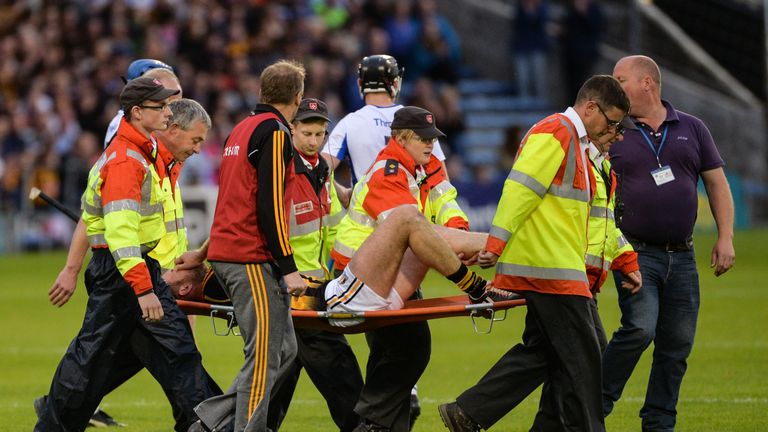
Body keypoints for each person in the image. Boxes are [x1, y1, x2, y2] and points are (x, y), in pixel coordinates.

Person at [438, 75, 633, 432]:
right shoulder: (557, 132)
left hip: (558, 265)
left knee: (550, 353)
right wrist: (495, 243)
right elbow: (519, 189)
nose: (613, 131)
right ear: (591, 108)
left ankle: (469, 413)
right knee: (584, 361)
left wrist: (621, 258)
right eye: (612, 121)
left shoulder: (573, 141)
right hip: (549, 266)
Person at [35, 77, 216, 432]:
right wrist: (144, 287)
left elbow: (100, 222)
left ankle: (209, 423)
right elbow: (121, 235)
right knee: (92, 362)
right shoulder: (126, 161)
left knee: (171, 355)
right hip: (124, 273)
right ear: (138, 112)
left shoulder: (138, 154)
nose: (168, 112)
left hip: (128, 271)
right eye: (160, 107)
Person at [328, 106, 492, 432]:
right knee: (410, 347)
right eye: (423, 138)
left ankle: (377, 425)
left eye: (433, 137)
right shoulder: (388, 173)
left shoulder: (420, 166)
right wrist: (481, 249)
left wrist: (461, 237)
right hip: (360, 276)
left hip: (386, 274)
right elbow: (412, 237)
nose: (431, 144)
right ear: (402, 138)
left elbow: (446, 205)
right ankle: (373, 424)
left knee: (400, 350)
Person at [602, 55, 735, 431]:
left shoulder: (692, 128)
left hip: (684, 256)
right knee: (640, 329)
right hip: (634, 252)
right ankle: (590, 406)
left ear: (648, 83)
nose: (613, 86)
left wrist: (725, 237)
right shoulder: (613, 131)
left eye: (620, 79)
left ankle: (659, 424)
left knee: (676, 347)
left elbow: (717, 185)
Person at [193, 59, 307, 432]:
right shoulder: (275, 131)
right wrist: (288, 266)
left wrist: (203, 251)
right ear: (298, 96)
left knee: (285, 351)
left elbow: (231, 198)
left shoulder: (240, 129)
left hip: (228, 251)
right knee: (263, 358)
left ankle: (207, 424)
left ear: (262, 91)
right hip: (250, 256)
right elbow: (269, 203)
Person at [531, 123, 643, 430]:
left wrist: (626, 260)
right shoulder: (579, 162)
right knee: (582, 357)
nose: (619, 138)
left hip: (582, 278)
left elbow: (603, 225)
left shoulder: (602, 165)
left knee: (563, 360)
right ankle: (470, 410)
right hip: (567, 274)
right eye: (616, 130)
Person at [266, 98, 364, 432]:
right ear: (291, 129)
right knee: (339, 367)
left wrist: (351, 268)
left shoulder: (322, 170)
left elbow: (336, 226)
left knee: (280, 373)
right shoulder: (281, 171)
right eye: (306, 132)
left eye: (320, 134)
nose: (313, 140)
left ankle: (240, 426)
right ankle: (362, 427)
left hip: (314, 283)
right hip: (294, 287)